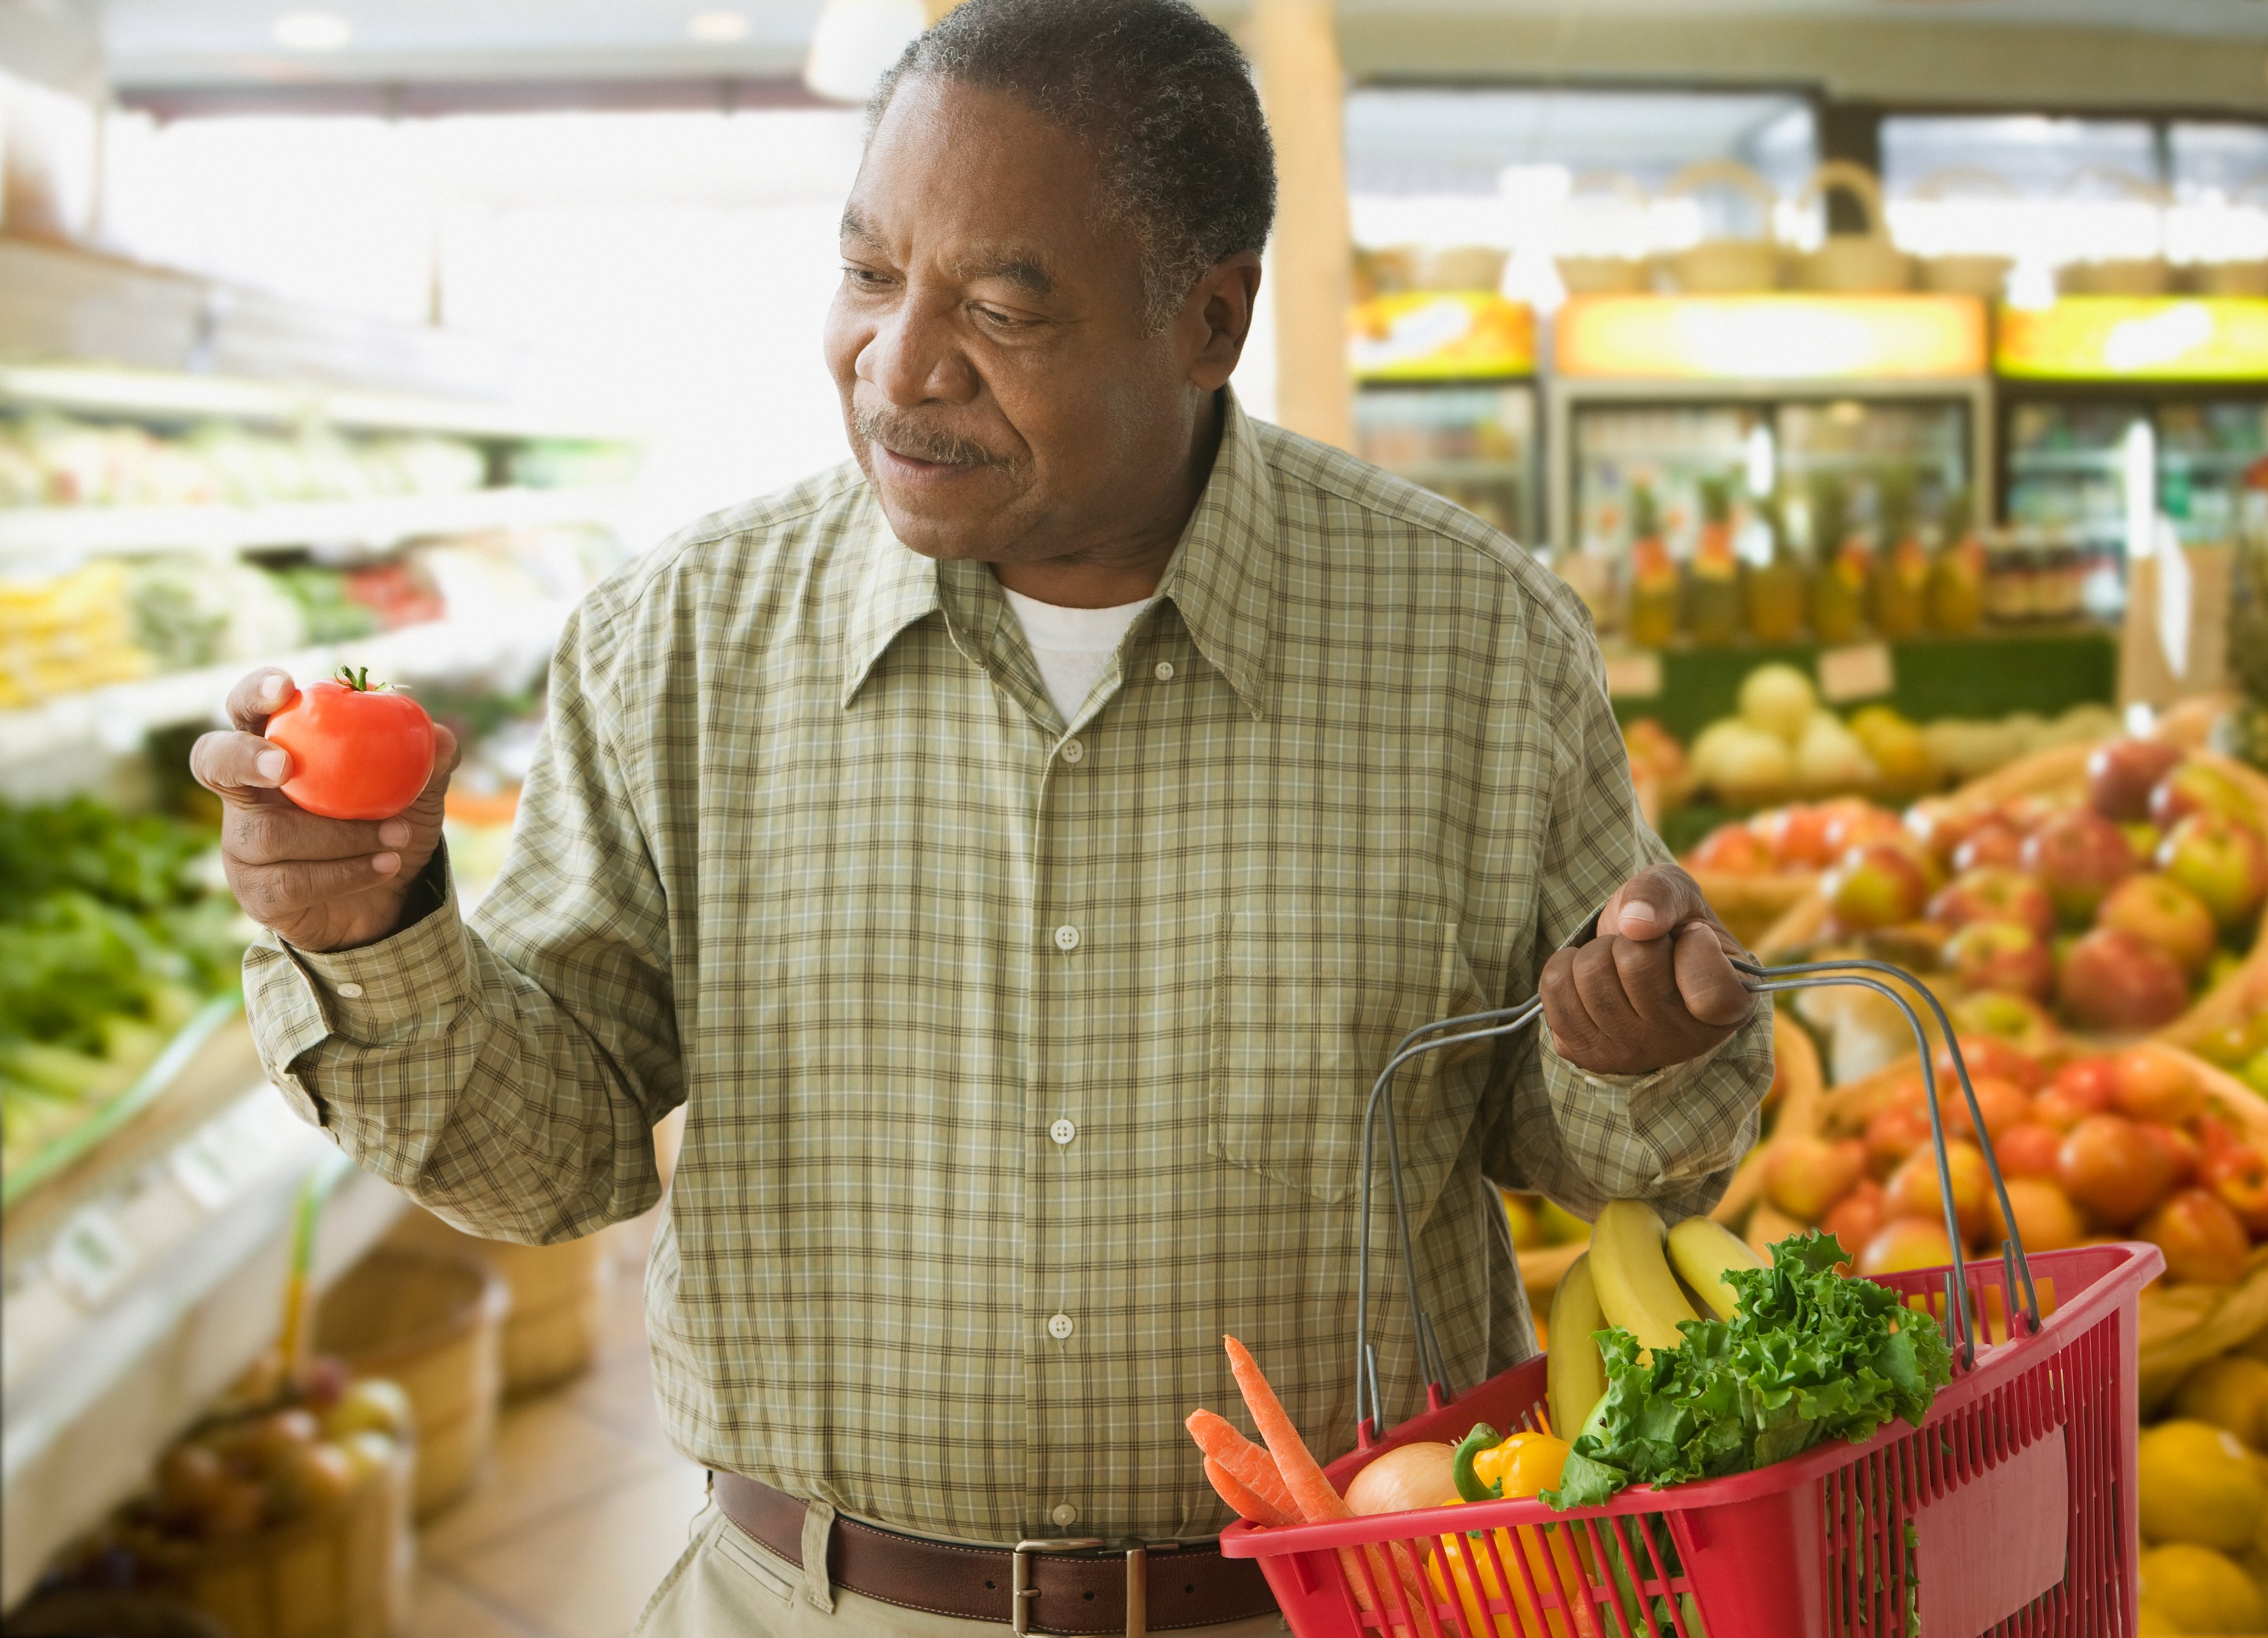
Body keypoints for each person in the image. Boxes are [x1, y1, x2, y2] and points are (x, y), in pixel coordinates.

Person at [191, 2, 1771, 1633]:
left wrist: (1636, 1048)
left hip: (1350, 1598)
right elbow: (556, 1159)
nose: (898, 362)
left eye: (1003, 303)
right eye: (871, 274)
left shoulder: (1472, 636)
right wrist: (370, 932)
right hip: (807, 1601)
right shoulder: (681, 638)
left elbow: (1580, 1137)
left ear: (1208, 322)